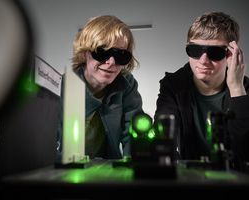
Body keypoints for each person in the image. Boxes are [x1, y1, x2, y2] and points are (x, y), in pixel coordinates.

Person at [154, 11, 249, 168]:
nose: (203, 61)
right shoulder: (173, 86)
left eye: (215, 52)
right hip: (189, 177)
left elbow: (245, 151)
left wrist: (236, 88)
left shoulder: (244, 90)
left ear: (231, 54)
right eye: (195, 51)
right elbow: (163, 136)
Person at [57, 15, 143, 159]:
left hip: (109, 170)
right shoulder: (62, 86)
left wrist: (133, 170)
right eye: (102, 52)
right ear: (85, 53)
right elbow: (47, 141)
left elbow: (134, 136)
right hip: (68, 169)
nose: (111, 62)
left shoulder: (127, 85)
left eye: (121, 55)